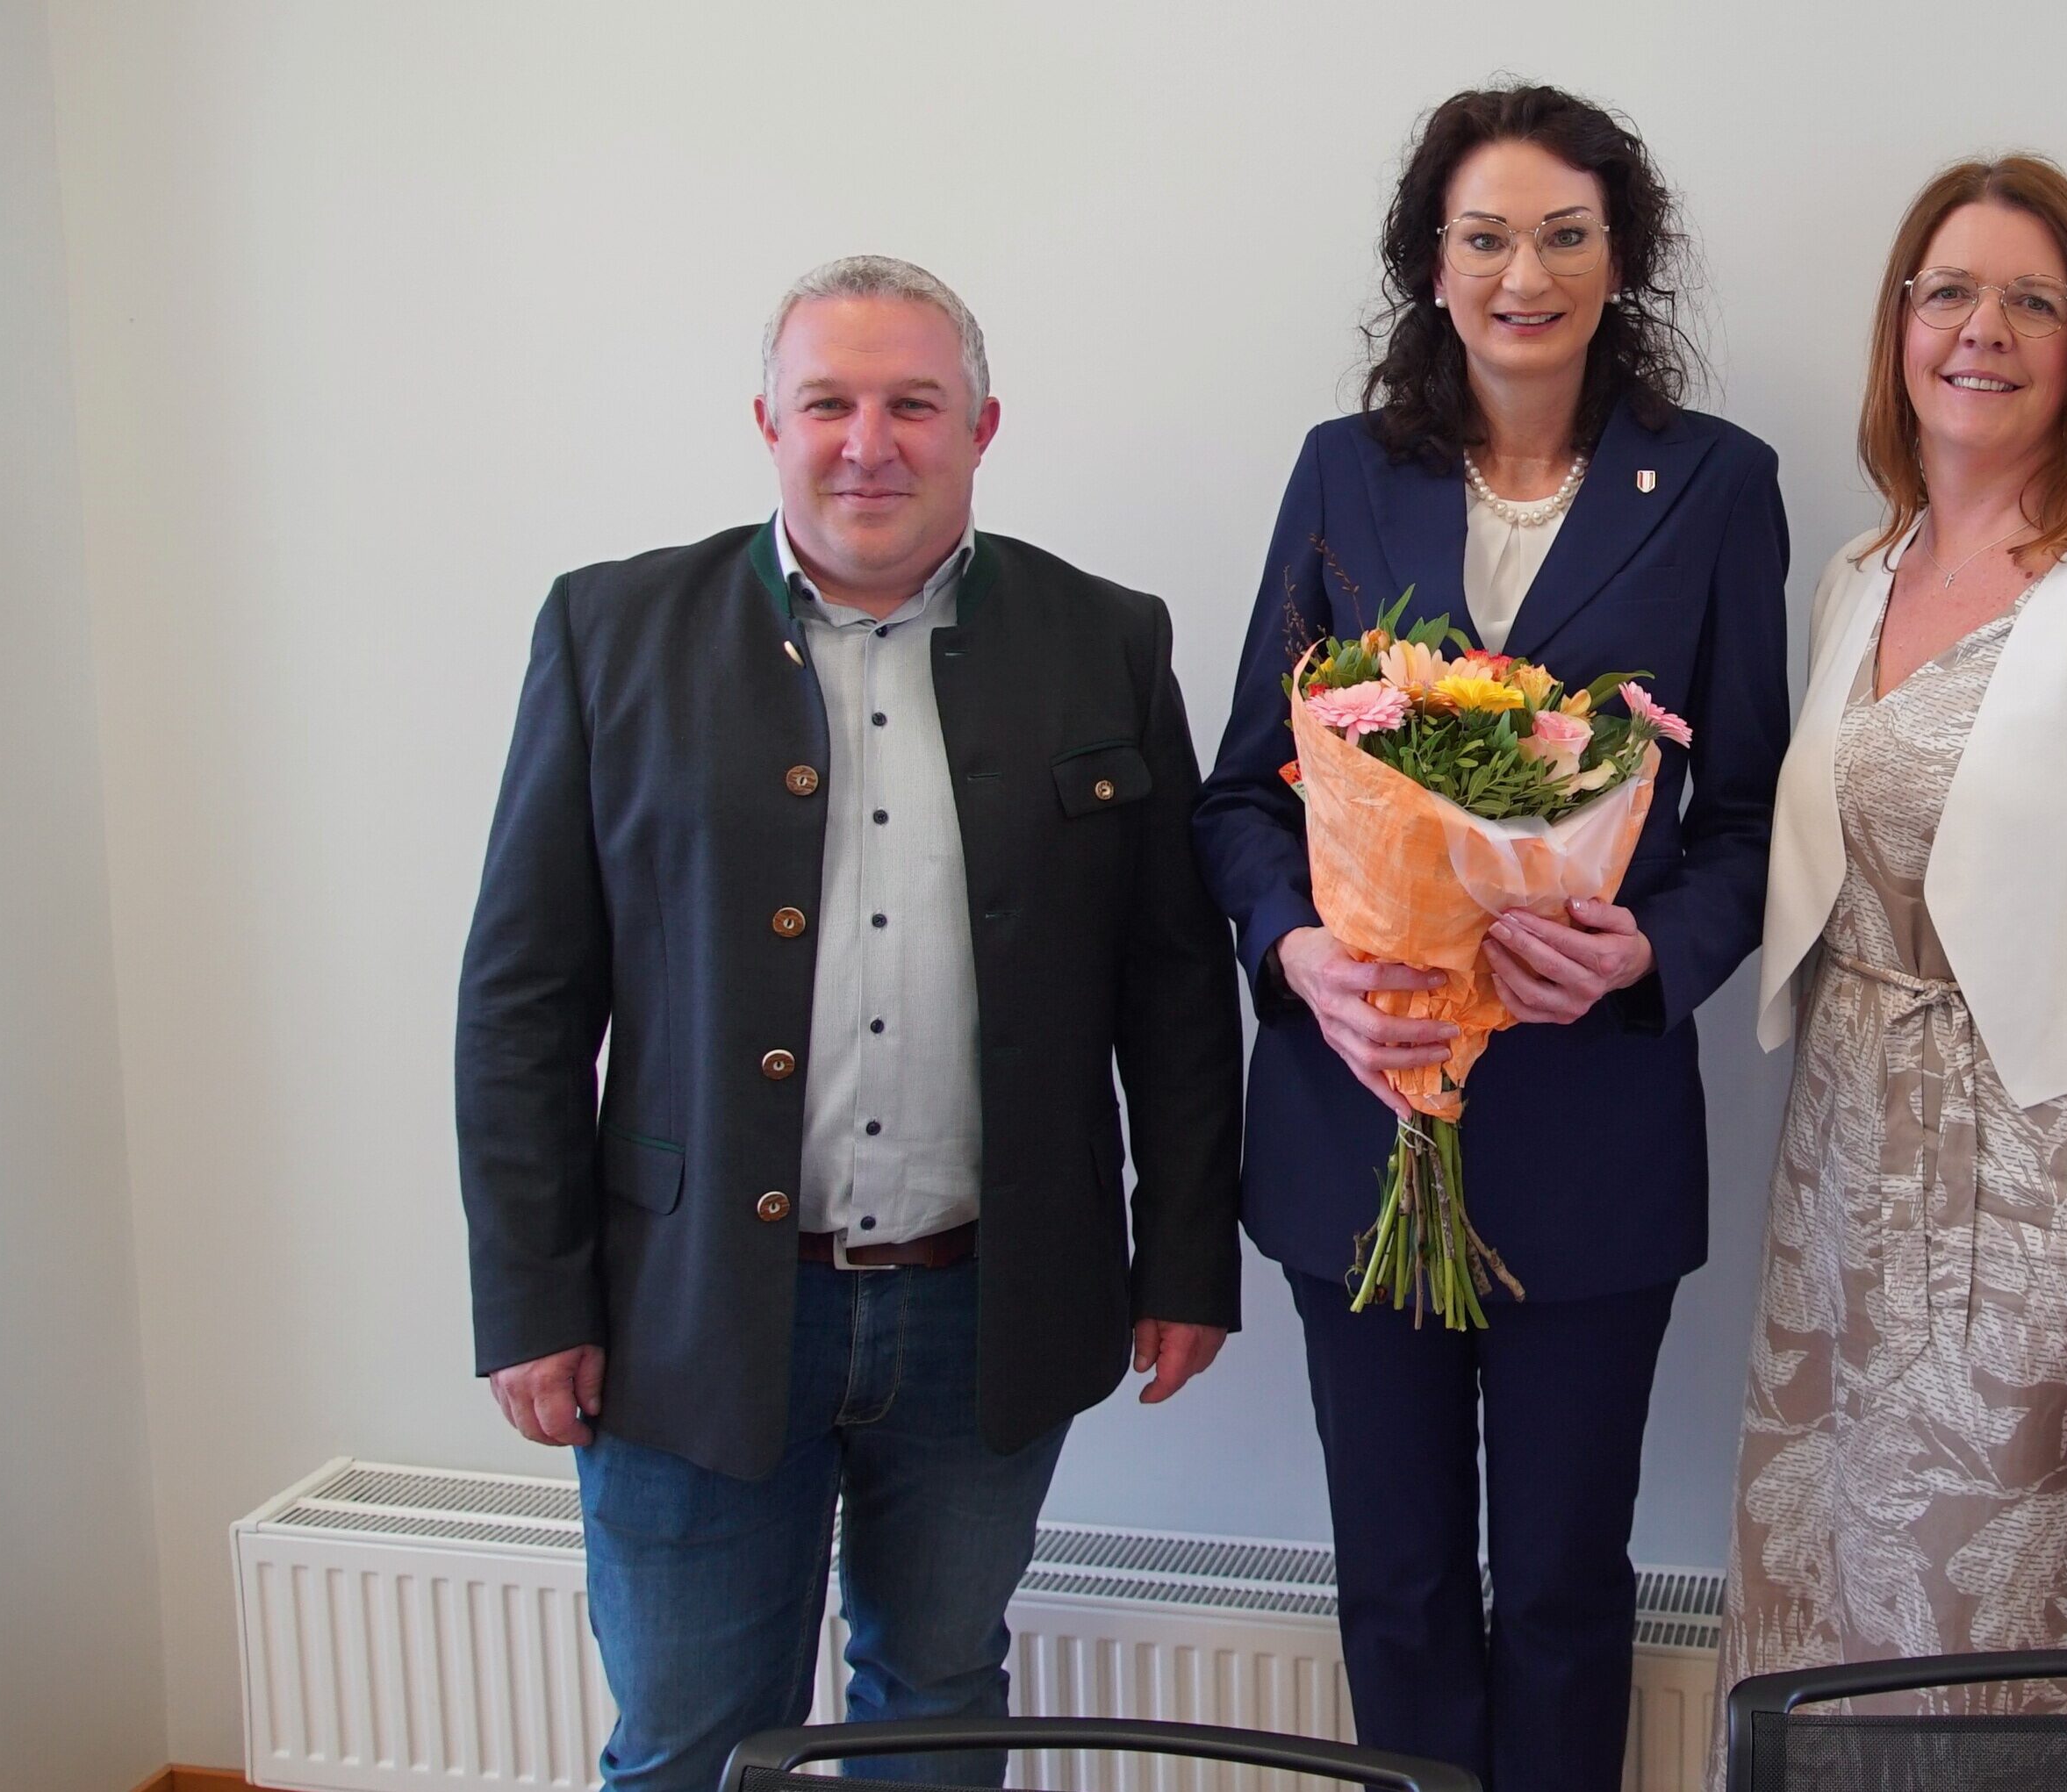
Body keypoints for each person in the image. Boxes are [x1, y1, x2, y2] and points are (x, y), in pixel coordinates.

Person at [456, 255, 1244, 1791]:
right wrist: (530, 1293)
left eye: (913, 405)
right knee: (692, 1739)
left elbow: (1172, 983)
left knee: (938, 1706)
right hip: (686, 1311)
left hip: (987, 1306)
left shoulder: (1103, 638)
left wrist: (1184, 1255)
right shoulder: (612, 632)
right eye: (829, 402)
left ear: (982, 427)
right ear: (768, 421)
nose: (868, 443)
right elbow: (521, 1002)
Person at [1188, 82, 1789, 1792]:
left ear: (1622, 256)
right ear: (1431, 265)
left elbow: (1751, 816)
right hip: (1357, 1110)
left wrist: (1643, 957)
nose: (1525, 274)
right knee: (1392, 1590)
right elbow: (1243, 795)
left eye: (1564, 235)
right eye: (1486, 237)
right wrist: (1299, 955)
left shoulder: (1717, 486)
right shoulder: (1343, 472)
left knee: (1561, 1594)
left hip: (1590, 1129)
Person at [1715, 154, 2067, 1716]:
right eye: (1950, 291)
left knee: (2024, 1656)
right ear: (1899, 324)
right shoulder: (1858, 575)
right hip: (1843, 1194)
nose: (1986, 329)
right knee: (1838, 1629)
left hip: (2053, 1223)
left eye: (2035, 300)